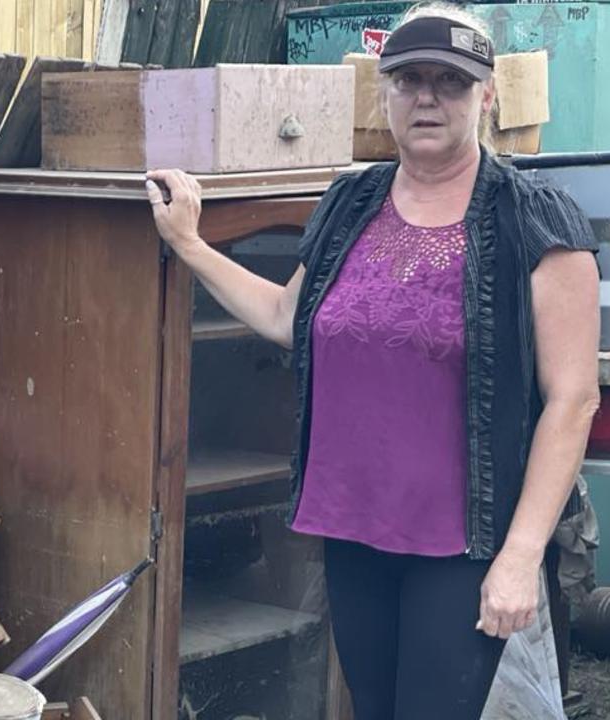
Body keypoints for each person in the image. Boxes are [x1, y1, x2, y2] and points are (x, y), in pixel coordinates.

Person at [145, 6, 600, 719]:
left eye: (449, 82)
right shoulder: (349, 200)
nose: (426, 97)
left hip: (462, 545)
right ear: (384, 94)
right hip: (353, 529)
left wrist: (518, 557)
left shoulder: (534, 221)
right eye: (408, 79)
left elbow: (571, 400)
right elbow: (284, 319)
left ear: (484, 96)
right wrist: (191, 245)